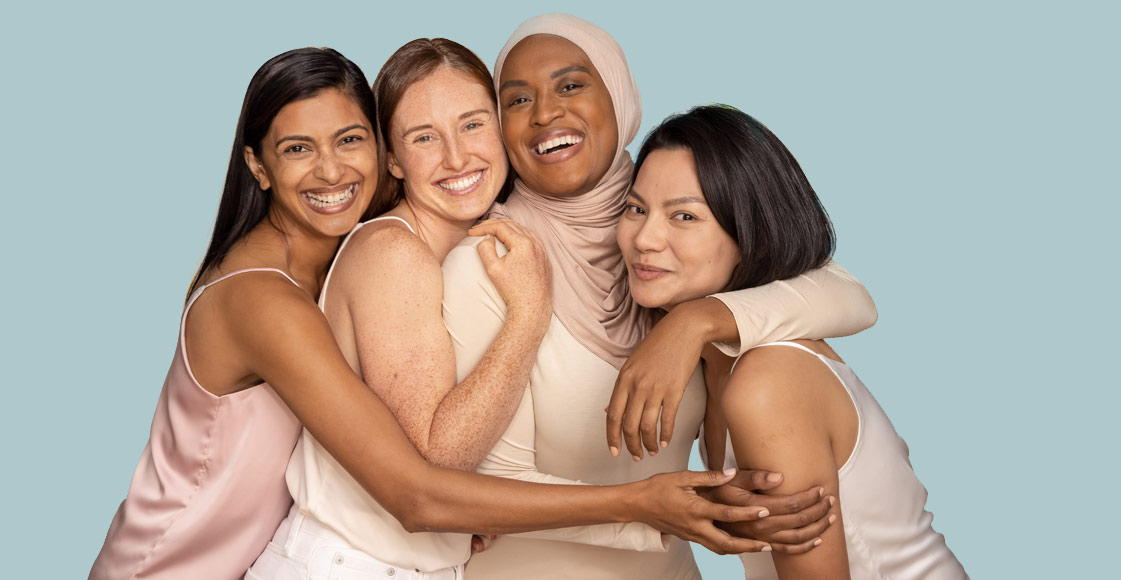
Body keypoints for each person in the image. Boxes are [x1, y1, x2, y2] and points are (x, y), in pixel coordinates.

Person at [93, 47, 802, 580]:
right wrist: (641, 506)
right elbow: (419, 486)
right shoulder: (282, 290)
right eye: (297, 149)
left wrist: (697, 318)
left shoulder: (367, 250)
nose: (334, 172)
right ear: (258, 167)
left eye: (349, 141)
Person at [446, 14, 878, 579]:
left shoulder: (664, 242)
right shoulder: (491, 261)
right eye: (517, 99)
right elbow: (488, 489)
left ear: (621, 97)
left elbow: (847, 295)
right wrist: (674, 513)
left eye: (571, 85)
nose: (545, 113)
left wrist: (693, 324)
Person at [621, 105, 967, 580]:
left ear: (751, 236)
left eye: (684, 216)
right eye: (635, 209)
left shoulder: (768, 381)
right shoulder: (714, 370)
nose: (644, 238)